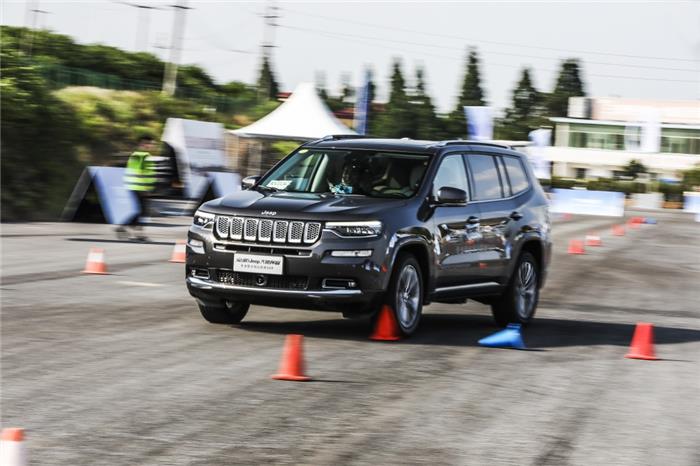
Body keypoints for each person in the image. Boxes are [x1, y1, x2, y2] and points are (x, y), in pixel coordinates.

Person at [117, 136, 157, 241]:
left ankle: (126, 228)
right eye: (149, 144)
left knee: (141, 210)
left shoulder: (135, 155)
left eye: (152, 144)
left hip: (134, 186)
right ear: (142, 144)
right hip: (140, 187)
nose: (151, 146)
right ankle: (135, 231)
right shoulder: (143, 156)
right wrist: (145, 188)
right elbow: (139, 172)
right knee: (144, 211)